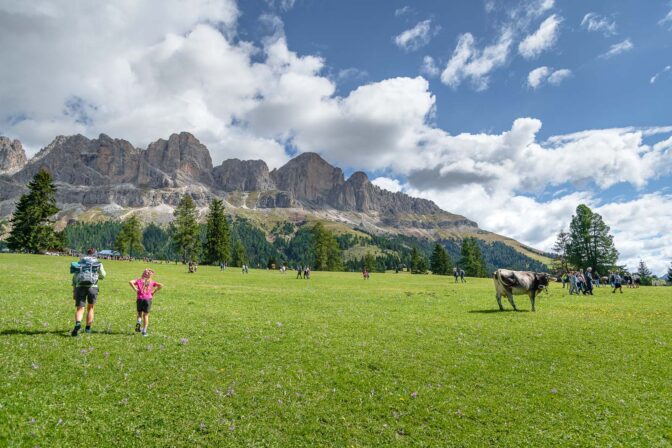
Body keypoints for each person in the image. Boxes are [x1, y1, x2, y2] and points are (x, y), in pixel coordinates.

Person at [71, 248, 106, 336]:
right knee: (90, 308)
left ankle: (78, 323)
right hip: (92, 287)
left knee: (80, 308)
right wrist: (98, 277)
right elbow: (103, 275)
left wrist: (74, 289)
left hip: (80, 286)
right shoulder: (98, 263)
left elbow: (75, 276)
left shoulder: (81, 262)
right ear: (95, 254)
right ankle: (88, 329)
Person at [129, 268, 163, 337]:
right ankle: (144, 331)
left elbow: (130, 282)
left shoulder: (139, 280)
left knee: (139, 313)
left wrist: (135, 289)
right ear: (150, 275)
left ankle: (139, 321)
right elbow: (161, 285)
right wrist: (154, 291)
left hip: (140, 299)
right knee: (146, 315)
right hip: (148, 299)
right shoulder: (152, 282)